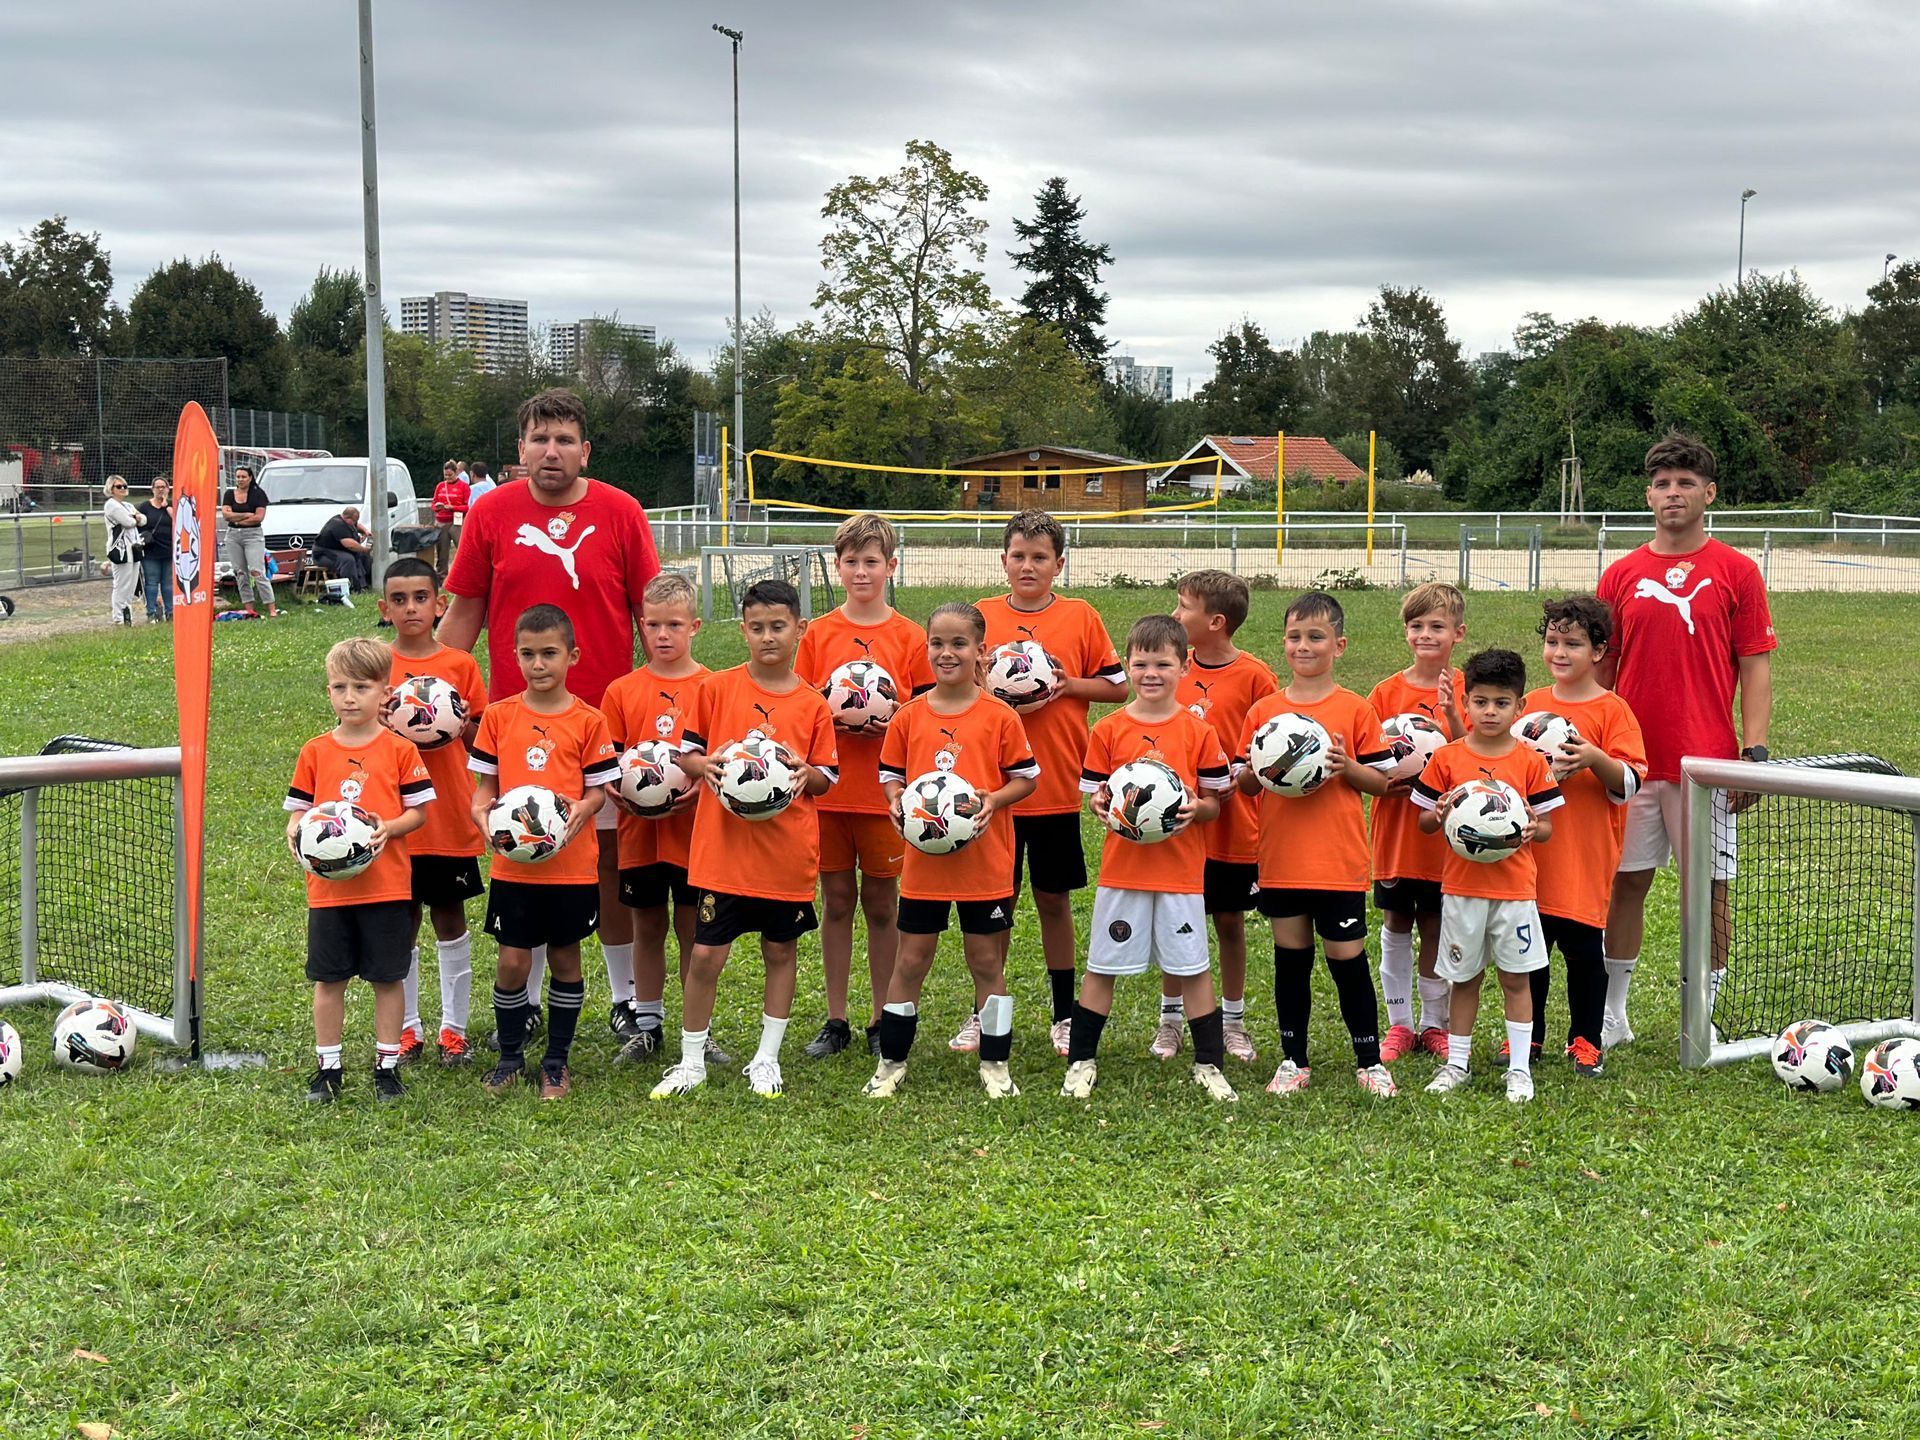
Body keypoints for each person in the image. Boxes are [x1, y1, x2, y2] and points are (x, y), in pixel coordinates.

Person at [440, 387, 661, 1041]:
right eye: (540, 438)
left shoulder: (621, 512)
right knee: (523, 849)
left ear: (585, 450)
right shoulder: (492, 513)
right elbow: (464, 614)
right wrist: (436, 694)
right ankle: (527, 1000)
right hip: (516, 726)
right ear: (520, 450)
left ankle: (624, 1000)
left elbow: (648, 619)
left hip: (604, 723)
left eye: (565, 439)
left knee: (608, 863)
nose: (552, 450)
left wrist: (658, 704)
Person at [1596, 432, 1776, 1046]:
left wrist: (1752, 754)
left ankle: (1703, 1011)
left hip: (1709, 764)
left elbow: (1754, 663)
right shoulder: (1620, 575)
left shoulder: (1737, 571)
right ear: (1649, 494)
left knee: (1711, 891)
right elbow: (1601, 670)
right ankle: (1611, 1013)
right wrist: (1594, 747)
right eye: (1664, 483)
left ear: (1709, 493)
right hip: (1632, 763)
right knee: (1626, 884)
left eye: (1687, 483)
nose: (1674, 493)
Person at [650, 579, 839, 1101]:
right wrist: (701, 764)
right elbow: (686, 754)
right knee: (707, 957)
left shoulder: (812, 704)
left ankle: (766, 1058)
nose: (767, 637)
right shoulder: (717, 689)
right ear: (743, 631)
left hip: (785, 857)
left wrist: (805, 772)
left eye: (778, 626)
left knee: (780, 953)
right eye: (756, 628)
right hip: (723, 857)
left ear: (799, 629)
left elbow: (827, 778)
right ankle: (691, 1062)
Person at [867, 601, 1038, 1099]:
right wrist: (896, 802)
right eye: (938, 643)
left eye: (959, 644)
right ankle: (892, 1063)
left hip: (984, 864)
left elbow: (1026, 778)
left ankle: (995, 1064)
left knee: (986, 960)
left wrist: (993, 799)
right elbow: (890, 776)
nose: (947, 653)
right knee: (911, 959)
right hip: (925, 866)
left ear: (982, 651)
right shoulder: (908, 715)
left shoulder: (1000, 716)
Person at [1064, 614, 1235, 1102]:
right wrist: (1100, 806)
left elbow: (1214, 803)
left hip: (1181, 874)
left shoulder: (1198, 731)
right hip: (1124, 872)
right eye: (1141, 664)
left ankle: (1208, 1064)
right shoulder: (1109, 729)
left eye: (1164, 663)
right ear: (1129, 665)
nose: (1151, 673)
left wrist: (1196, 808)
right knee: (1101, 965)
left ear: (1184, 667)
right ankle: (1081, 1061)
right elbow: (1096, 796)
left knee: (1193, 967)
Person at [975, 509, 1126, 1056]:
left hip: (1057, 785)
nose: (1028, 565)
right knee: (996, 903)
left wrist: (1065, 685)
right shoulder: (983, 616)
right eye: (1019, 556)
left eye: (1040, 557)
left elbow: (1118, 688)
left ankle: (1064, 1014)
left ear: (1059, 563)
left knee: (1053, 901)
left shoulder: (1081, 616)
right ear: (1003, 561)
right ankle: (984, 1011)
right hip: (992, 790)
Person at [1235, 591, 1398, 1098]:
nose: (1303, 646)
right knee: (1291, 959)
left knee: (1347, 959)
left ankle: (1369, 1061)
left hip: (1337, 861)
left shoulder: (1354, 708)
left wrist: (1346, 767)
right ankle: (1292, 1059)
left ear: (1339, 644)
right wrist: (1260, 771)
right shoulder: (1265, 711)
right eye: (1294, 637)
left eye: (1315, 637)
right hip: (1282, 860)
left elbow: (1382, 782)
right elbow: (1243, 783)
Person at [793, 513, 934, 1059]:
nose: (860, 571)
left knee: (881, 904)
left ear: (891, 566)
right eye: (850, 561)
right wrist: (831, 721)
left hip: (884, 796)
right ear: (837, 565)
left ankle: (882, 1016)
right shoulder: (820, 634)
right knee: (835, 902)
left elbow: (927, 711)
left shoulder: (909, 637)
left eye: (871, 561)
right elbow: (801, 706)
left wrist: (895, 716)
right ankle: (836, 1019)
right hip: (829, 795)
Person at [467, 604, 618, 1100]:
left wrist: (582, 807)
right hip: (514, 867)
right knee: (512, 962)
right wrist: (481, 816)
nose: (538, 664)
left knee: (565, 959)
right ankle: (510, 1057)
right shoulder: (499, 716)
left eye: (549, 653)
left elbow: (598, 792)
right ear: (513, 656)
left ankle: (556, 1062)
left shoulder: (589, 722)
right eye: (528, 654)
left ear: (572, 656)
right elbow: (483, 791)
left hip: (572, 868)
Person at [283, 637, 434, 1103]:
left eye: (362, 687)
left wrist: (388, 827)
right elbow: (298, 811)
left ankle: (386, 1066)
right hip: (329, 893)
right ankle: (328, 1068)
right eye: (339, 687)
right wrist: (295, 834)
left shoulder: (399, 750)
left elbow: (420, 812)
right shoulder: (314, 751)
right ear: (328, 691)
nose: (350, 697)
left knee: (387, 978)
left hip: (385, 888)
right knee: (330, 980)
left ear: (385, 694)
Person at [1412, 648, 1564, 1104]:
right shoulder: (1447, 759)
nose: (1490, 711)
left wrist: (1537, 828)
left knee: (1516, 980)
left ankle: (1519, 1069)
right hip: (1461, 890)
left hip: (1515, 892)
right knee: (1465, 979)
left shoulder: (1530, 762)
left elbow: (1549, 825)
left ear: (1520, 709)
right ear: (1466, 704)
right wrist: (1438, 814)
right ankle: (1456, 1064)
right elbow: (1422, 821)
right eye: (1480, 702)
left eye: (1501, 703)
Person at [1525, 596, 1648, 1076]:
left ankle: (1586, 1039)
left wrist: (1594, 759)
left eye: (1572, 644)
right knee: (1529, 954)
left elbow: (1632, 780)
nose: (1559, 652)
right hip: (1533, 858)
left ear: (1598, 652)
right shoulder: (1530, 705)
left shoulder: (1612, 710)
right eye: (1552, 641)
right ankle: (1527, 1036)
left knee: (1583, 955)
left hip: (1584, 856)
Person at [1164, 569, 1277, 1065]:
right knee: (1177, 920)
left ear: (1215, 621)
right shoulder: (1169, 667)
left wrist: (1239, 772)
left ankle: (1232, 1021)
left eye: (1182, 606)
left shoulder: (1256, 676)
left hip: (1236, 823)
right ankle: (1170, 1020)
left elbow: (1270, 747)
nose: (1174, 614)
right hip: (1178, 821)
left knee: (1229, 920)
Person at [380, 557, 489, 1068]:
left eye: (420, 598)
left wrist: (462, 723)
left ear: (440, 604)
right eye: (399, 600)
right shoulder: (376, 667)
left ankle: (454, 1030)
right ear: (384, 609)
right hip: (396, 821)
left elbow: (481, 740)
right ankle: (406, 1030)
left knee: (449, 917)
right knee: (400, 923)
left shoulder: (460, 665)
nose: (410, 608)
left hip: (448, 816)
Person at [600, 572, 710, 1063]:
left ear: (695, 627)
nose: (662, 635)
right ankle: (647, 1026)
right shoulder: (622, 691)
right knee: (647, 927)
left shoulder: (713, 686)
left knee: (692, 930)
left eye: (674, 625)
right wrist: (615, 790)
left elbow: (718, 760)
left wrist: (702, 783)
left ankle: (697, 1030)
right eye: (654, 626)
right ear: (641, 626)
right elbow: (609, 761)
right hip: (638, 834)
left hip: (695, 835)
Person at [1367, 581, 1468, 1063]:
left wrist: (1452, 717)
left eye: (1437, 626)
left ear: (1458, 633)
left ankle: (1434, 1023)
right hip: (1397, 828)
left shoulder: (1470, 689)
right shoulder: (1386, 691)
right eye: (1417, 626)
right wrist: (1380, 778)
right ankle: (1400, 1024)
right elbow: (1368, 758)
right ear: (1406, 631)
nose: (1425, 635)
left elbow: (1479, 752)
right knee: (1397, 919)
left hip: (1446, 833)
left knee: (1436, 921)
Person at [222, 464, 279, 617]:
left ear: (250, 478)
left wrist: (238, 519)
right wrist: (246, 514)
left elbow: (258, 517)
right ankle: (249, 609)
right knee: (240, 572)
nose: (240, 480)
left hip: (252, 535)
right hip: (233, 535)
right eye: (238, 476)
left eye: (243, 477)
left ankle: (271, 608)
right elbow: (226, 515)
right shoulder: (229, 494)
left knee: (257, 571)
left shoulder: (258, 494)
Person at [102, 475, 142, 627]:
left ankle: (127, 615)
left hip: (134, 548)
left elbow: (142, 519)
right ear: (111, 489)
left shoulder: (128, 505)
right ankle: (119, 617)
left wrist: (135, 518)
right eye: (119, 486)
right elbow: (129, 522)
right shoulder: (111, 505)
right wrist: (134, 519)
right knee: (121, 584)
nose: (123, 489)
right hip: (120, 549)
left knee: (131, 585)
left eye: (124, 485)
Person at [136, 475, 173, 622]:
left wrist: (166, 506)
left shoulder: (171, 506)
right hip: (151, 551)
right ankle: (151, 612)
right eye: (157, 487)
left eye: (163, 487)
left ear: (168, 489)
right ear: (152, 489)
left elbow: (179, 521)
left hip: (168, 549)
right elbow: (138, 523)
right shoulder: (145, 506)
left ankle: (170, 612)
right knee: (151, 582)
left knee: (168, 583)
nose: (160, 490)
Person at [315, 507, 373, 591]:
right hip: (323, 554)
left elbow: (357, 525)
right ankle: (351, 588)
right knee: (347, 560)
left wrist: (365, 531)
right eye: (353, 521)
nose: (354, 524)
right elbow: (349, 545)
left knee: (362, 556)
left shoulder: (348, 522)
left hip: (337, 551)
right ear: (347, 517)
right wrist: (364, 549)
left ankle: (364, 585)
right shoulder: (337, 524)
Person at [432, 460, 469, 577]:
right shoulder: (440, 486)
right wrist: (438, 507)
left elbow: (466, 506)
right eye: (445, 475)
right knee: (442, 551)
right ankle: (441, 575)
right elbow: (433, 504)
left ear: (456, 473)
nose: (447, 478)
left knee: (463, 549)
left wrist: (452, 507)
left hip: (456, 521)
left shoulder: (464, 487)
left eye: (450, 475)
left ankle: (465, 574)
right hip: (441, 521)